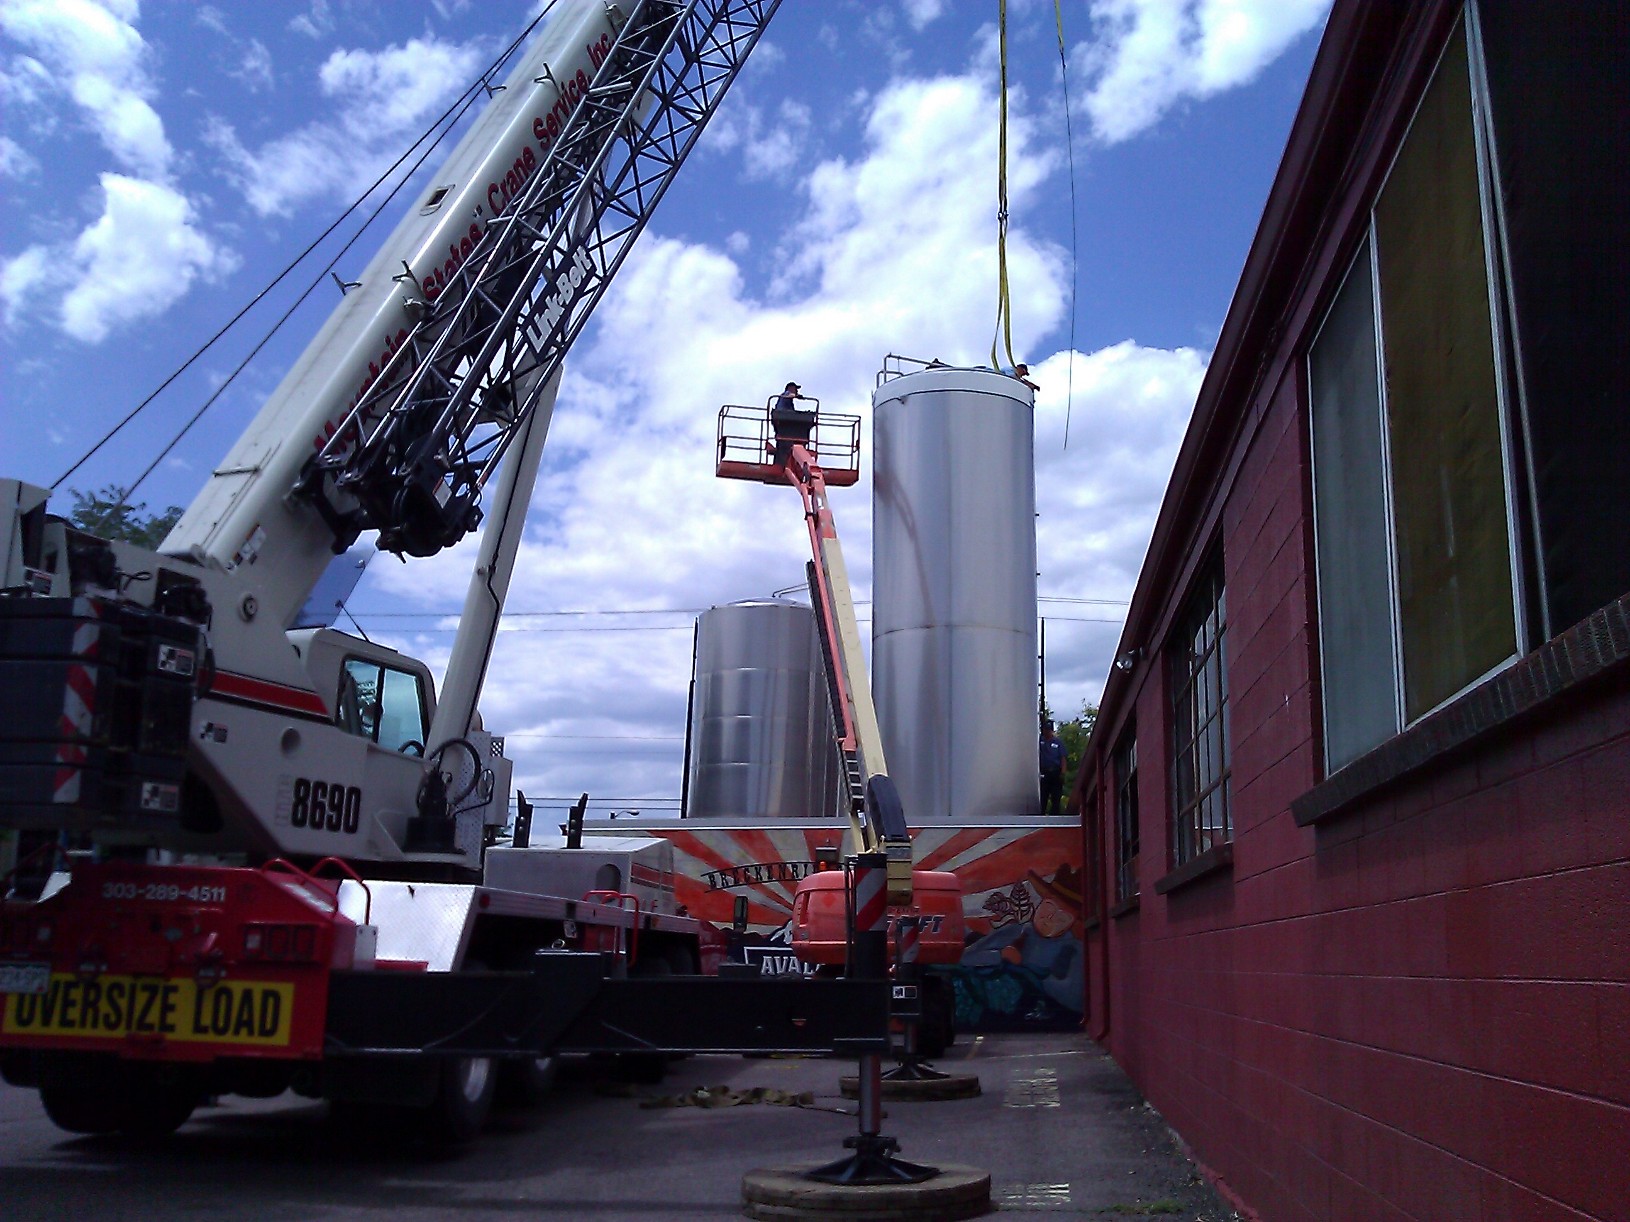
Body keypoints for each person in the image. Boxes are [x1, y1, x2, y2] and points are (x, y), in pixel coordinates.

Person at [770, 380, 813, 464]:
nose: (796, 390)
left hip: (784, 420)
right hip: (783, 418)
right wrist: (797, 396)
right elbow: (790, 395)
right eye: (795, 389)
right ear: (790, 388)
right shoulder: (786, 394)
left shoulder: (789, 402)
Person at [1039, 719, 1065, 815]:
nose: (1047, 732)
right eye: (1045, 729)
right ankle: (1041, 815)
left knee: (1056, 796)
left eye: (1049, 730)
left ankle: (1055, 815)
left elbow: (1063, 758)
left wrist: (1063, 772)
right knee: (1043, 796)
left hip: (1055, 772)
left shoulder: (1058, 743)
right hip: (1044, 772)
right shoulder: (1040, 741)